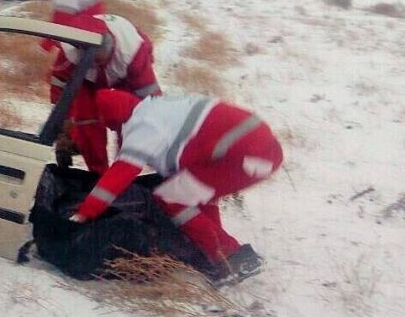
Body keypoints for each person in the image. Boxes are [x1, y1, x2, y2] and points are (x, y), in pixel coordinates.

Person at [70, 89, 283, 285]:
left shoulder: (142, 127)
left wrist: (85, 213)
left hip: (244, 155)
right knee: (196, 193)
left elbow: (118, 176)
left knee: (171, 198)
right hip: (260, 146)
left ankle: (234, 257)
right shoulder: (157, 106)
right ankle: (217, 256)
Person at [48, 14, 162, 173]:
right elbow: (60, 89)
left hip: (125, 76)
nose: (98, 63)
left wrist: (158, 129)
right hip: (87, 80)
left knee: (132, 119)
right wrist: (63, 131)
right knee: (86, 120)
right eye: (95, 60)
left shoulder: (133, 51)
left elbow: (150, 96)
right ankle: (97, 175)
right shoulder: (69, 52)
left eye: (101, 59)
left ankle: (124, 171)